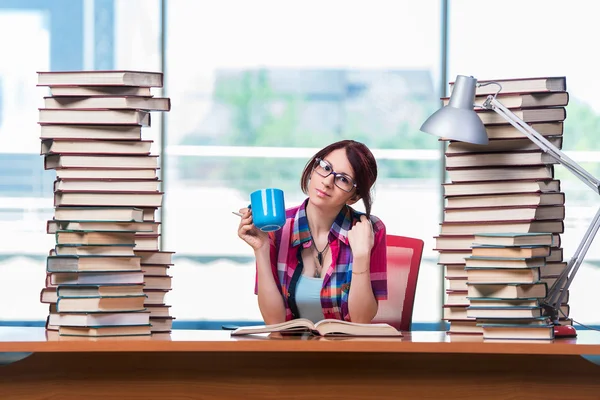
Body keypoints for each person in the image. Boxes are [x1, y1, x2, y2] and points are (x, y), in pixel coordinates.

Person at [237, 140, 387, 325]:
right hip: (292, 350)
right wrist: (261, 248)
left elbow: (361, 320)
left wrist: (362, 256)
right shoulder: (278, 227)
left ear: (354, 197)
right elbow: (274, 322)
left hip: (347, 350)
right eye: (325, 167)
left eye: (343, 179)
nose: (327, 182)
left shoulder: (370, 229)